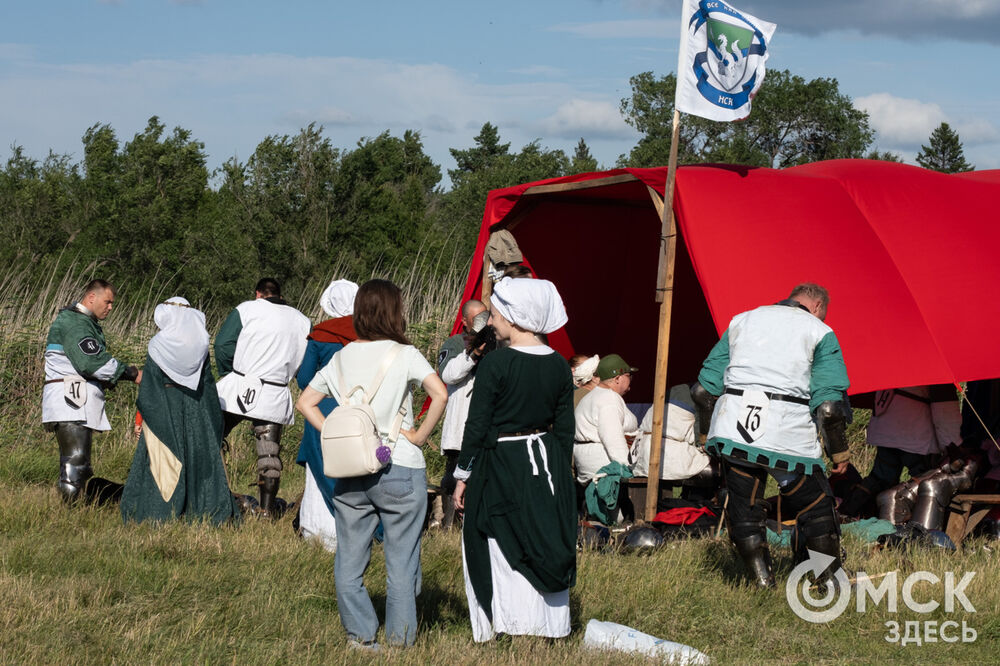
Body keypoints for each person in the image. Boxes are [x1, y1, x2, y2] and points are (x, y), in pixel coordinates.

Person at [295, 279, 448, 649]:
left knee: (349, 560)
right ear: (395, 311)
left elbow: (305, 402)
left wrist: (332, 428)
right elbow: (440, 393)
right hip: (400, 463)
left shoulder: (341, 357)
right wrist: (420, 435)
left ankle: (361, 637)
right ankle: (401, 642)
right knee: (402, 561)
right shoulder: (405, 354)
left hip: (352, 469)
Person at [692, 283, 850, 589]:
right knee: (817, 507)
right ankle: (827, 582)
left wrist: (704, 435)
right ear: (817, 306)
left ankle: (762, 583)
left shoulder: (742, 320)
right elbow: (829, 408)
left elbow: (703, 391)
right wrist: (839, 453)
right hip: (786, 436)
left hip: (733, 430)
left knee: (744, 507)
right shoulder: (819, 331)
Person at [453, 277, 576, 642]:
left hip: (503, 462)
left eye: (496, 315)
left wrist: (463, 474)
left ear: (514, 317)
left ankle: (514, 624)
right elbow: (565, 428)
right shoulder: (557, 364)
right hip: (547, 464)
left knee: (502, 537)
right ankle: (548, 625)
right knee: (541, 534)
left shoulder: (497, 364)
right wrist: (561, 474)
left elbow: (477, 425)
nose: (490, 322)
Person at [120, 297, 239, 525]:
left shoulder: (158, 344)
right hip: (197, 409)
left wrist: (148, 416)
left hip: (165, 408)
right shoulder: (200, 345)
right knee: (198, 457)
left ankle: (158, 513)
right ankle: (199, 510)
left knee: (162, 459)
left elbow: (151, 386)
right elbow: (207, 383)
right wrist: (211, 417)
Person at [215, 278, 310, 518]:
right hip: (274, 393)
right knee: (269, 456)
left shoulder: (247, 308)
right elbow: (304, 361)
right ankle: (267, 511)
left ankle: (211, 497)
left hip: (238, 386)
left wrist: (231, 375)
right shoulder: (302, 320)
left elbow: (223, 345)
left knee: (211, 438)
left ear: (258, 294)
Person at [42, 279, 141, 504]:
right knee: (75, 463)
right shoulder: (76, 323)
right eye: (107, 302)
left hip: (72, 400)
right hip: (70, 401)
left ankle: (78, 508)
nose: (110, 307)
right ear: (91, 297)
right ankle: (71, 515)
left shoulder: (82, 322)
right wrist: (132, 373)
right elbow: (92, 362)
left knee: (80, 463)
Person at [293, 279, 359, 550]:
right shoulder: (370, 332)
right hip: (360, 409)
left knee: (321, 467)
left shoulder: (321, 334)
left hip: (324, 407)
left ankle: (319, 530)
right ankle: (356, 529)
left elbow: (305, 379)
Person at [838, 384, 960, 517]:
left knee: (879, 479)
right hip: (916, 436)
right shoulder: (936, 370)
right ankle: (919, 526)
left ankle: (849, 513)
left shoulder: (895, 363)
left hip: (887, 430)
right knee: (926, 484)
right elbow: (945, 411)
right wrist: (952, 446)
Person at [435, 298, 488, 530]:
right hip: (461, 425)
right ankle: (449, 527)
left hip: (485, 425)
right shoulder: (456, 343)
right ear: (464, 320)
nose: (481, 323)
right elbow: (448, 374)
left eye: (484, 317)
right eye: (476, 318)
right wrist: (474, 353)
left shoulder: (496, 342)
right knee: (453, 477)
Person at [573, 354, 640, 485]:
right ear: (617, 378)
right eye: (629, 376)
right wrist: (628, 469)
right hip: (606, 470)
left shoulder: (594, 396)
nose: (631, 381)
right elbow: (613, 439)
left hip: (593, 466)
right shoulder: (608, 400)